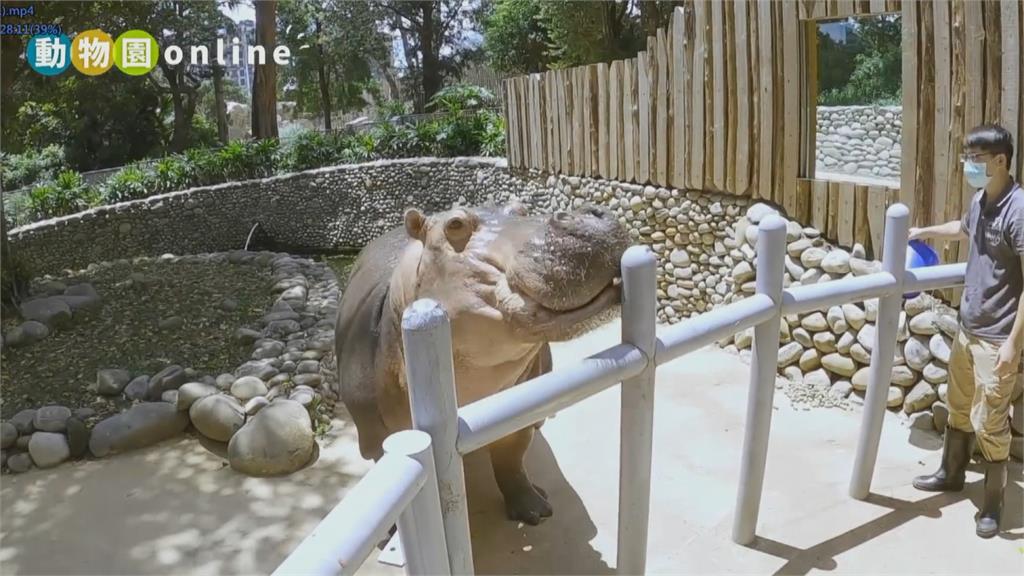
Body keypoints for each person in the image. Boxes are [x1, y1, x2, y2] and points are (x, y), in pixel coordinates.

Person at [907, 123, 1022, 538]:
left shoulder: (1018, 209)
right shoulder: (980, 200)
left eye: (975, 159)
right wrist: (924, 232)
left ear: (1000, 161)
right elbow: (963, 227)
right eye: (967, 158)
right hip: (967, 329)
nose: (968, 166)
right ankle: (950, 473)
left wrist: (1013, 343)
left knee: (990, 422)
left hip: (997, 337)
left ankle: (993, 505)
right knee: (958, 408)